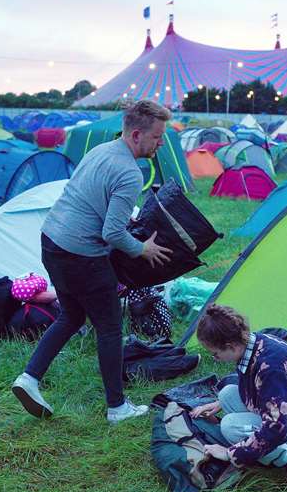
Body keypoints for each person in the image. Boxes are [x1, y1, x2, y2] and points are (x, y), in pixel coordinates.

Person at [11, 100, 172, 423]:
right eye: (157, 137)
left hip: (52, 242)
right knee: (110, 328)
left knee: (71, 316)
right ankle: (117, 407)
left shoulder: (101, 150)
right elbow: (112, 232)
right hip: (81, 255)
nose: (161, 143)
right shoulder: (128, 172)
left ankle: (28, 379)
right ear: (137, 134)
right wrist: (143, 250)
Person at [191, 303, 287, 488]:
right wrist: (219, 403)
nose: (215, 359)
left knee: (229, 426)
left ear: (230, 346)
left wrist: (230, 453)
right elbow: (257, 386)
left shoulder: (270, 367)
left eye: (215, 354)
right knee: (227, 394)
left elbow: (276, 429)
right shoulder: (255, 343)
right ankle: (276, 451)